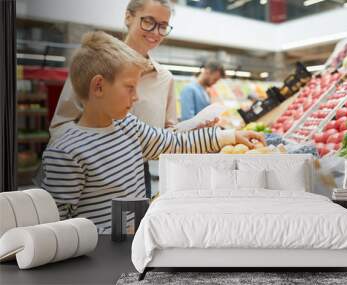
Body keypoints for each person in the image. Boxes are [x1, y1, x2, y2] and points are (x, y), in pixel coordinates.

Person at [41, 31, 265, 233]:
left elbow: (172, 143)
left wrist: (229, 136)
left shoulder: (127, 125)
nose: (136, 97)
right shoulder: (65, 153)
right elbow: (57, 229)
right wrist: (117, 232)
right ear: (98, 86)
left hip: (137, 247)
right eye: (130, 87)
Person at [48, 0, 204, 198]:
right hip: (91, 177)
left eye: (163, 26)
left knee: (132, 228)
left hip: (139, 174)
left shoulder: (165, 78)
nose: (156, 32)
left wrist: (194, 131)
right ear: (128, 17)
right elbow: (61, 125)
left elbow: (166, 134)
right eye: (148, 22)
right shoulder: (96, 63)